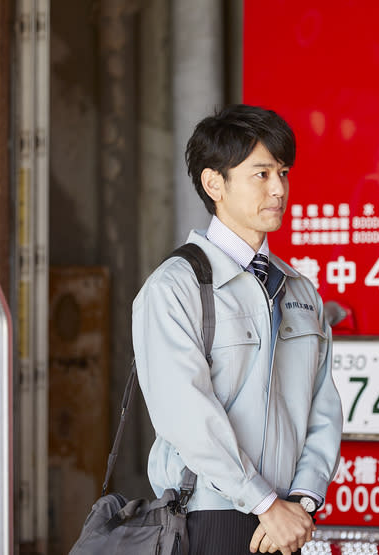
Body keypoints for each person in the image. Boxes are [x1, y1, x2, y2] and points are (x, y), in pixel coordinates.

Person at [132, 104, 343, 555]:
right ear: (215, 184)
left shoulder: (299, 289)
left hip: (287, 522)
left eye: (283, 173)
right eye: (261, 175)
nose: (279, 189)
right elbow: (186, 414)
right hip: (207, 517)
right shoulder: (176, 287)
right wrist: (262, 500)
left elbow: (324, 407)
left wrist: (302, 499)